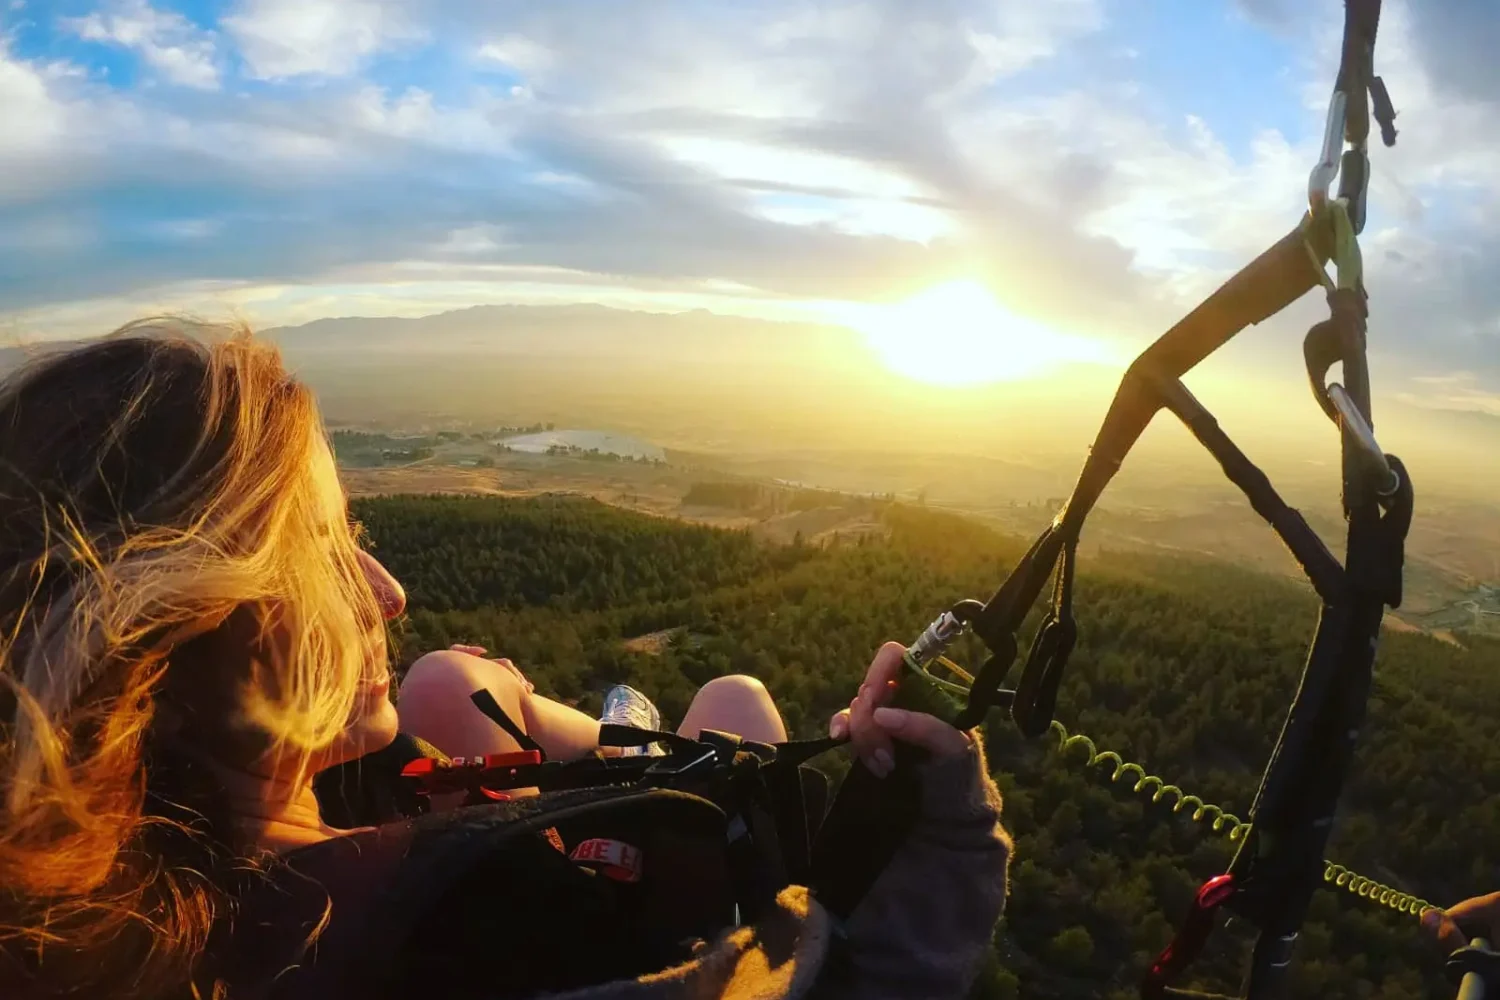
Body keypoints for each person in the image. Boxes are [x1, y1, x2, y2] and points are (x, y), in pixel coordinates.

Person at [0, 319, 1013, 1000]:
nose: (385, 590)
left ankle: (634, 737)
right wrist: (939, 827)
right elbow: (876, 981)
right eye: (317, 551)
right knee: (739, 707)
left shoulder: (115, 919)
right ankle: (642, 741)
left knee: (453, 679)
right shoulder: (502, 921)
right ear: (154, 649)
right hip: (650, 886)